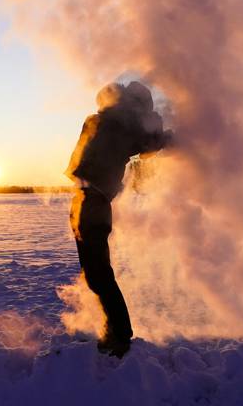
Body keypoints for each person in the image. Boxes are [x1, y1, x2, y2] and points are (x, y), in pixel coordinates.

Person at [65, 80, 172, 357]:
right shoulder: (115, 124)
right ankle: (115, 332)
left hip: (93, 201)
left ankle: (119, 336)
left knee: (99, 274)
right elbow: (153, 143)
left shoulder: (108, 122)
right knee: (96, 274)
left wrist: (158, 130)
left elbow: (153, 143)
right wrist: (156, 128)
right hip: (86, 201)